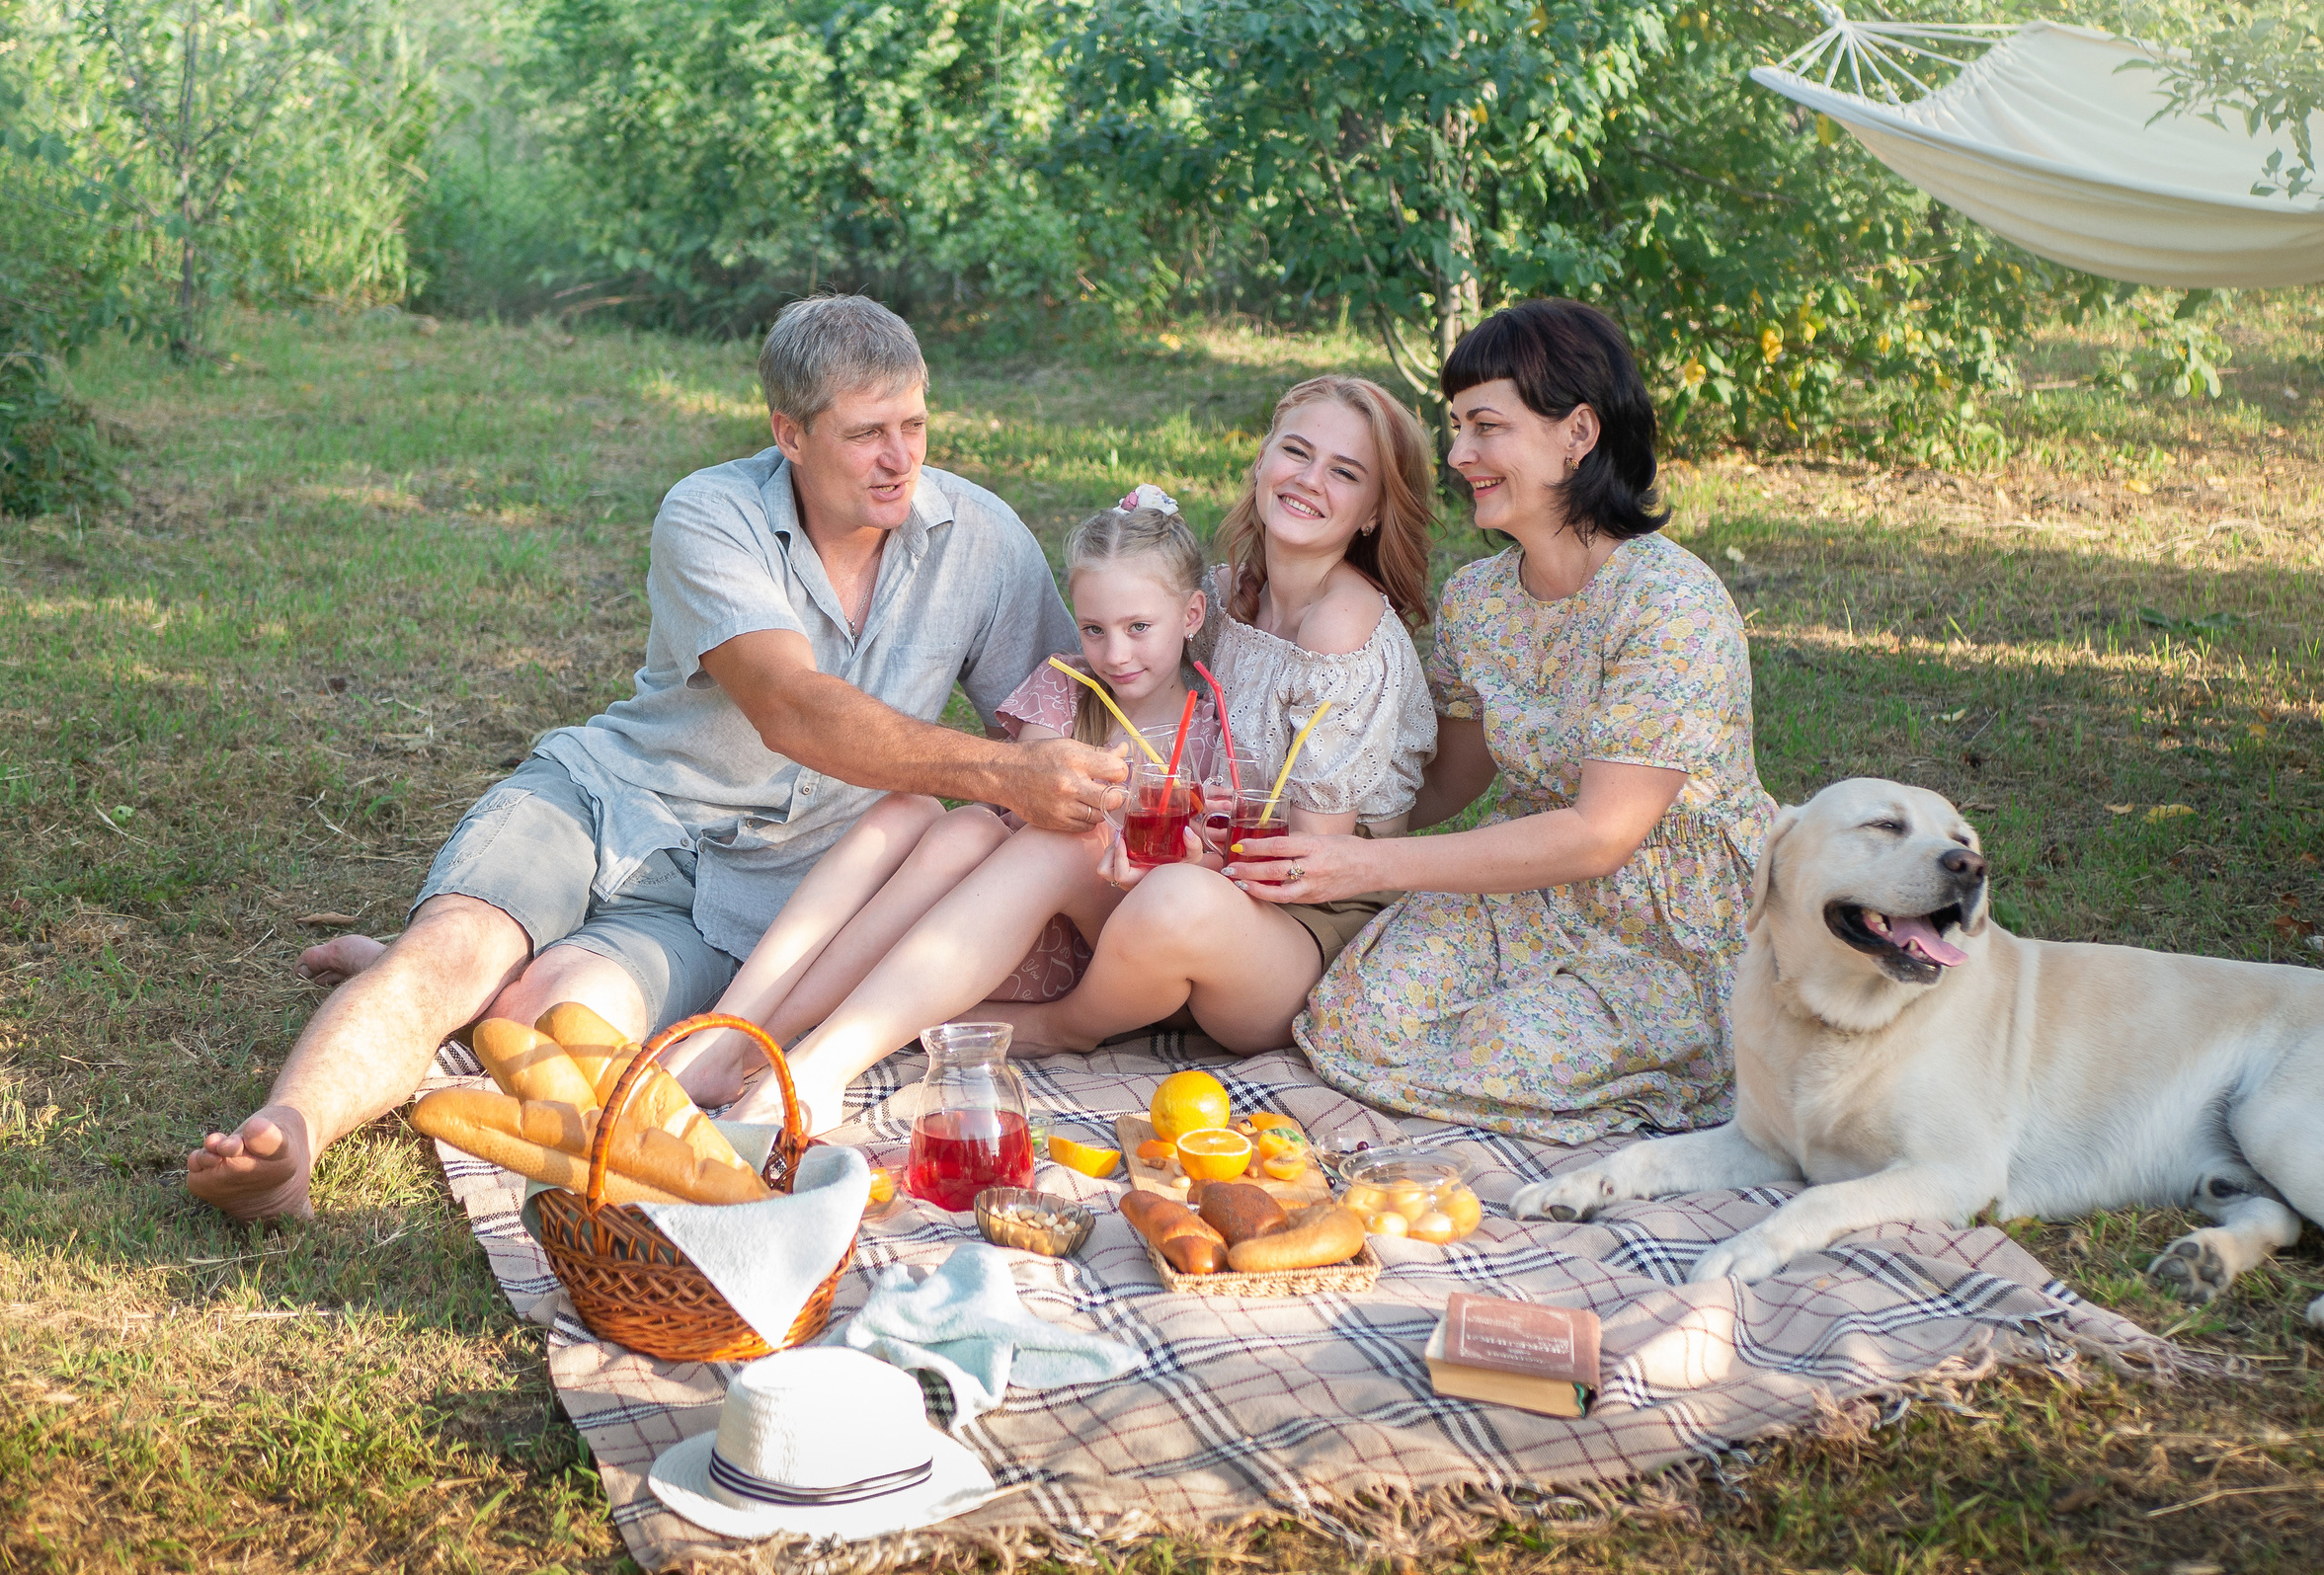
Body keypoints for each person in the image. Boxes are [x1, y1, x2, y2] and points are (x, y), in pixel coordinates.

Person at [185, 295, 1127, 1221]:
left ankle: (448, 979)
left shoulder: (984, 541)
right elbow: (793, 708)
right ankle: (289, 1138)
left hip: (749, 904)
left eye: (915, 424)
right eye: (866, 432)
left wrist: (1060, 774)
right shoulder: (710, 513)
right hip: (607, 804)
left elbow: (1059, 720)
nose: (900, 458)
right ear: (788, 433)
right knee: (458, 947)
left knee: (551, 1019)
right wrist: (1003, 778)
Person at [703, 374, 1438, 1132]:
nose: (1309, 479)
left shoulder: (1341, 633)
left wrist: (1190, 857)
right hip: (1183, 890)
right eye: (1296, 450)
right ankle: (780, 1047)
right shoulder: (1223, 597)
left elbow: (1313, 866)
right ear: (1261, 460)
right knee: (1015, 836)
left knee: (1139, 881)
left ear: (1376, 508)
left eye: (1344, 472)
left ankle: (1051, 1027)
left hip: (1300, 931)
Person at [1247, 300, 1773, 1145]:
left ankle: (1685, 1065)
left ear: (1578, 433)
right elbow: (1446, 781)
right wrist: (1303, 829)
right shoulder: (1479, 598)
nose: (1458, 455)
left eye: (1484, 426)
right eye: (1456, 427)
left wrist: (1366, 862)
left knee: (1507, 1047)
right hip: (1526, 886)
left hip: (1667, 918)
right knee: (1357, 1016)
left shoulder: (1671, 603)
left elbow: (1602, 836)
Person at [660, 483, 1221, 1116]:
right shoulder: (1068, 689)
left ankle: (766, 1051)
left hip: (1104, 946)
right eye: (1093, 628)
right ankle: (732, 1032)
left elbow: (1199, 878)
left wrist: (1179, 858)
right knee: (926, 813)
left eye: (1139, 628)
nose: (1114, 654)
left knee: (1037, 838)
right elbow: (1029, 806)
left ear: (1192, 615)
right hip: (994, 922)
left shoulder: (1215, 724)